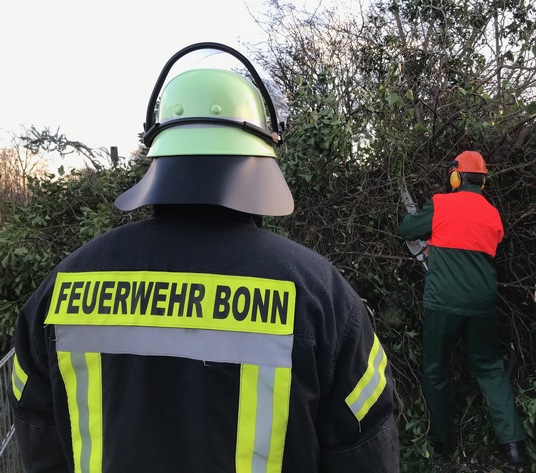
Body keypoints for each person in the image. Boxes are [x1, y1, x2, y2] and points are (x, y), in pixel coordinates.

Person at [10, 42, 400, 473]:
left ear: (156, 150)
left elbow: (36, 430)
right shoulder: (320, 295)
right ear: (261, 157)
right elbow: (364, 448)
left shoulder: (63, 285)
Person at [398, 150, 527, 465]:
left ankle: (442, 443)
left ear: (456, 176)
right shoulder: (493, 215)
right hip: (482, 302)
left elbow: (407, 229)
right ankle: (514, 447)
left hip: (443, 301)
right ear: (483, 181)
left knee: (436, 369)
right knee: (489, 367)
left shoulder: (442, 203)